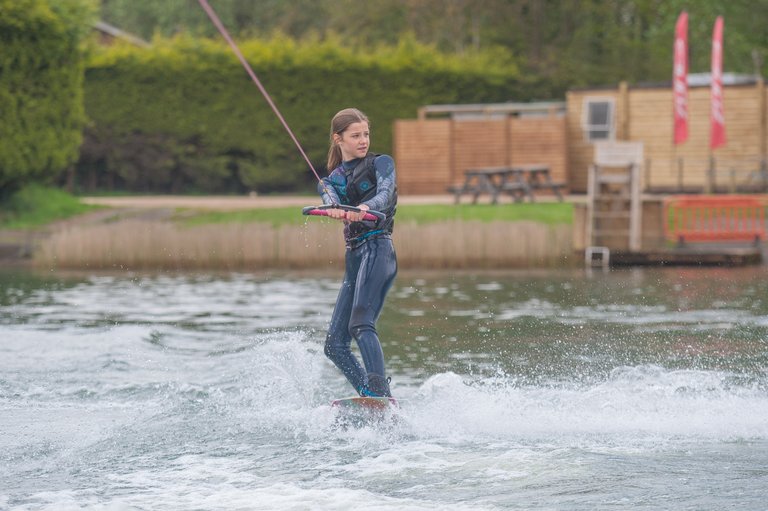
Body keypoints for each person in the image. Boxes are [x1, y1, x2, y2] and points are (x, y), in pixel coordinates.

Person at [318, 108, 398, 398]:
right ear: (338, 139)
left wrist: (364, 208)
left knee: (361, 324)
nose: (363, 140)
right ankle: (369, 394)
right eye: (355, 136)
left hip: (378, 249)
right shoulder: (331, 180)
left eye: (365, 134)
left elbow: (385, 194)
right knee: (334, 345)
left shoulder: (381, 163)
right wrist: (334, 208)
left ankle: (379, 394)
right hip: (354, 257)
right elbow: (329, 196)